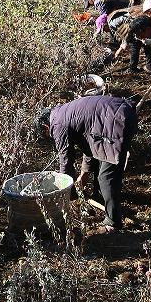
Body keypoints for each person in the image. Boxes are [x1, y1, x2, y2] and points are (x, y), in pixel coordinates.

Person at [35, 95, 137, 232]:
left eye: (47, 133)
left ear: (45, 126)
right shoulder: (64, 112)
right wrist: (84, 173)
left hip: (115, 122)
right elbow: (89, 147)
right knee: (102, 163)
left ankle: (113, 222)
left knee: (106, 177)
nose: (50, 136)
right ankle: (102, 200)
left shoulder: (57, 124)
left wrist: (67, 193)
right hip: (119, 113)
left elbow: (66, 161)